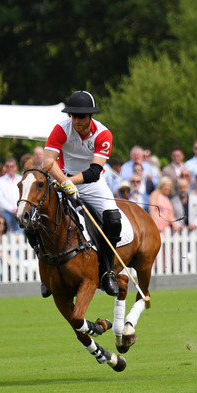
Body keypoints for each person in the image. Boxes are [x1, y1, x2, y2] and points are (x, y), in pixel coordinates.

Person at [42, 90, 121, 295]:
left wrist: (70, 182)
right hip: (62, 177)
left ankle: (107, 272)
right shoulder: (61, 128)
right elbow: (48, 161)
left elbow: (95, 172)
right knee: (40, 219)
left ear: (90, 116)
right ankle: (46, 274)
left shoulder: (103, 134)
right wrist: (64, 182)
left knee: (113, 220)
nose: (76, 120)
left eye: (81, 116)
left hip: (91, 183)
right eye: (73, 115)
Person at [0, 157, 21, 232]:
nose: (9, 168)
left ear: (16, 167)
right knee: (5, 227)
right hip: (6, 211)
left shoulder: (21, 179)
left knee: (20, 231)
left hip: (20, 210)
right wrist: (12, 209)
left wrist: (18, 209)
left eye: (11, 166)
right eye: (7, 166)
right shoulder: (0, 181)